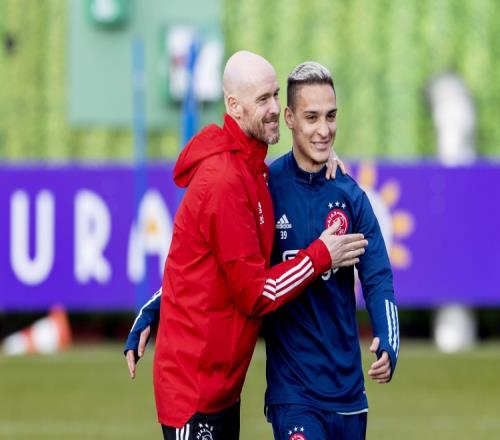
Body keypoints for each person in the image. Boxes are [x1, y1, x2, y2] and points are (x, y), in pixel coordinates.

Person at [128, 51, 368, 440]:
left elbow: (199, 265)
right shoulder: (225, 180)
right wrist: (320, 255)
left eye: (275, 95)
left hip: (222, 388)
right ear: (234, 106)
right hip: (194, 391)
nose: (273, 109)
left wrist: (321, 156)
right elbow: (255, 294)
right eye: (262, 99)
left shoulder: (253, 170)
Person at [263, 62, 399, 440]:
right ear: (289, 118)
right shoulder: (266, 189)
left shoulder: (350, 196)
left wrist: (389, 340)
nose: (324, 130)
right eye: (312, 117)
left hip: (349, 394)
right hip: (293, 394)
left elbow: (377, 276)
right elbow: (223, 264)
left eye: (331, 116)